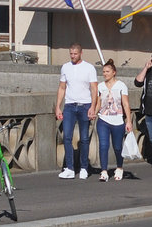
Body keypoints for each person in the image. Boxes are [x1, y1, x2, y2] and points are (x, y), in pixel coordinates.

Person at [55, 43, 98, 179]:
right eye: (71, 54)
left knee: (84, 138)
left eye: (75, 54)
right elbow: (62, 87)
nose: (73, 56)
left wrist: (92, 107)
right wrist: (58, 106)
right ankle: (70, 168)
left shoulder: (89, 68)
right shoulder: (65, 67)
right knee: (67, 136)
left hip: (84, 105)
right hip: (69, 106)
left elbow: (94, 89)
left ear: (81, 53)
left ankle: (84, 167)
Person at [95, 60, 132, 181]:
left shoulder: (121, 86)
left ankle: (119, 167)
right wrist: (93, 113)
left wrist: (129, 121)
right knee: (103, 145)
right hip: (103, 119)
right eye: (103, 71)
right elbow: (98, 103)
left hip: (118, 120)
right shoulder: (100, 86)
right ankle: (104, 171)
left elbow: (125, 104)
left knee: (117, 147)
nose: (105, 74)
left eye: (107, 71)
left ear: (114, 72)